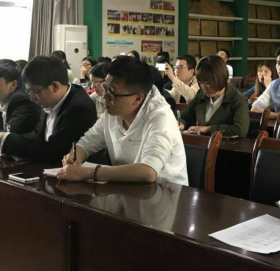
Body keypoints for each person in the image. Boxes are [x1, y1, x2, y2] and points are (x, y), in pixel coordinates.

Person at [58, 56, 188, 185]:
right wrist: (74, 156)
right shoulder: (113, 110)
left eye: (112, 92)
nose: (105, 97)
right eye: (105, 88)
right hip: (127, 188)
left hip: (166, 192)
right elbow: (89, 141)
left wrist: (88, 173)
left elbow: (148, 172)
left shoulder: (160, 118)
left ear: (138, 99)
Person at [0, 55, 97, 162]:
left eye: (35, 92)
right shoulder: (49, 100)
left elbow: (54, 151)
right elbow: (37, 135)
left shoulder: (79, 107)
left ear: (55, 87)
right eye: (29, 92)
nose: (32, 98)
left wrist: (5, 140)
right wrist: (5, 137)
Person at [179, 56, 249, 137]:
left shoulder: (238, 100)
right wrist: (181, 124)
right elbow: (185, 117)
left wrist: (208, 129)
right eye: (201, 83)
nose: (204, 87)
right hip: (202, 142)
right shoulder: (202, 95)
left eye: (208, 83)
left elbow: (240, 130)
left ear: (220, 78)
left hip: (225, 144)